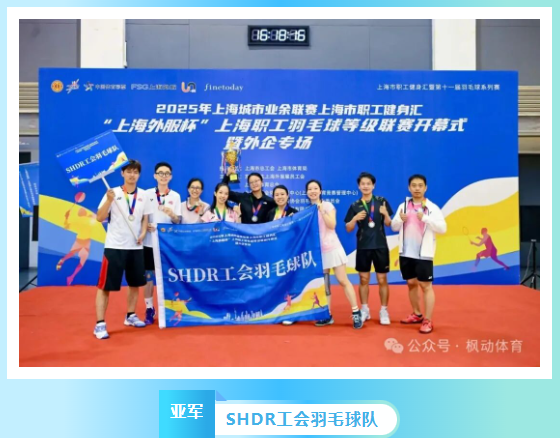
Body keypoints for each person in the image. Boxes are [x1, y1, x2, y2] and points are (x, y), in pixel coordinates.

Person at [93, 160, 153, 340]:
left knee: (135, 284)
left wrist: (143, 233)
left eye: (135, 172)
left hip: (135, 247)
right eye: (129, 171)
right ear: (122, 173)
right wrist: (109, 200)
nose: (132, 175)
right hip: (115, 247)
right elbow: (99, 217)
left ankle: (130, 315)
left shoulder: (143, 195)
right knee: (105, 287)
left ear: (139, 175)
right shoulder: (112, 192)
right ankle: (100, 324)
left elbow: (144, 218)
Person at [391, 174, 447, 334]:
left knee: (426, 286)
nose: (417, 188)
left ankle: (428, 320)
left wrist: (426, 218)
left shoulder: (432, 208)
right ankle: (417, 314)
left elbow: (443, 229)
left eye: (420, 185)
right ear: (409, 188)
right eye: (414, 185)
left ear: (425, 188)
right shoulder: (403, 206)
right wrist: (399, 220)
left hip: (424, 254)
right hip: (406, 253)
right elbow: (394, 227)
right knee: (411, 283)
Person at [306, 179, 363, 329]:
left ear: (320, 191)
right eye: (310, 189)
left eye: (315, 188)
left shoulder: (327, 206)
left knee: (343, 280)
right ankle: (327, 315)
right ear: (306, 192)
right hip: (319, 253)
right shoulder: (307, 211)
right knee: (325, 286)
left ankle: (356, 312)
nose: (312, 191)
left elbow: (332, 225)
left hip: (332, 248)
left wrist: (321, 210)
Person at [345, 172, 393, 325]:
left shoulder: (381, 202)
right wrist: (354, 219)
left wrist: (386, 215)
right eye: (363, 184)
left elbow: (389, 224)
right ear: (359, 186)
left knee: (382, 279)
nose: (365, 186)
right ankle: (365, 309)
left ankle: (384, 310)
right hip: (363, 246)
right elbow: (348, 228)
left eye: (368, 184)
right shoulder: (355, 205)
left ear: (373, 185)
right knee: (363, 279)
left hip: (380, 245)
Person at [143, 162, 182, 325]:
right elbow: (141, 216)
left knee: (167, 277)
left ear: (170, 177)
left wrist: (172, 214)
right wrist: (145, 226)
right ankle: (149, 308)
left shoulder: (176, 196)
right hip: (149, 243)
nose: (164, 176)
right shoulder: (146, 194)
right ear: (155, 176)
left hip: (167, 244)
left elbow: (178, 221)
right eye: (161, 173)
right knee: (148, 277)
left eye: (167, 173)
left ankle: (169, 309)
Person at [267, 185, 298, 325]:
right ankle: (277, 310)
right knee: (276, 282)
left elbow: (299, 233)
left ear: (287, 195)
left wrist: (292, 222)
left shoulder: (294, 213)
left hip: (289, 252)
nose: (280, 197)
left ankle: (291, 313)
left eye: (282, 194)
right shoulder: (270, 213)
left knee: (289, 282)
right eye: (277, 195)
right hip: (274, 252)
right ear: (273, 197)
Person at [57, 207, 96, 286]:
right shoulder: (90, 219)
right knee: (81, 262)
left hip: (79, 241)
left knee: (72, 253)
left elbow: (65, 226)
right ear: (85, 213)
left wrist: (66, 217)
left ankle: (62, 260)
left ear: (79, 214)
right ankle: (71, 277)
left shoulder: (77, 221)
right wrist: (92, 216)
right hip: (86, 242)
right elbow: (97, 218)